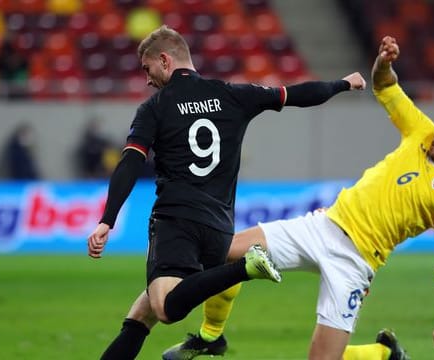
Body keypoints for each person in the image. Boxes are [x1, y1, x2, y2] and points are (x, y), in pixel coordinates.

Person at [163, 35, 434, 360]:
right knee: (227, 250)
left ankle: (382, 354)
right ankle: (210, 337)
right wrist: (384, 63)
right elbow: (385, 87)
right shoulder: (420, 131)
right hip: (323, 225)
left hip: (356, 261)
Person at [87, 25, 366, 360]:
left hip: (177, 221)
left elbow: (130, 163)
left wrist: (107, 219)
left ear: (164, 60)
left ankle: (245, 269)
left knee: (164, 308)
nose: (147, 79)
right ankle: (233, 280)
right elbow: (298, 94)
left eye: (147, 69)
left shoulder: (155, 108)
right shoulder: (232, 95)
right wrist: (344, 84)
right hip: (220, 230)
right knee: (140, 316)